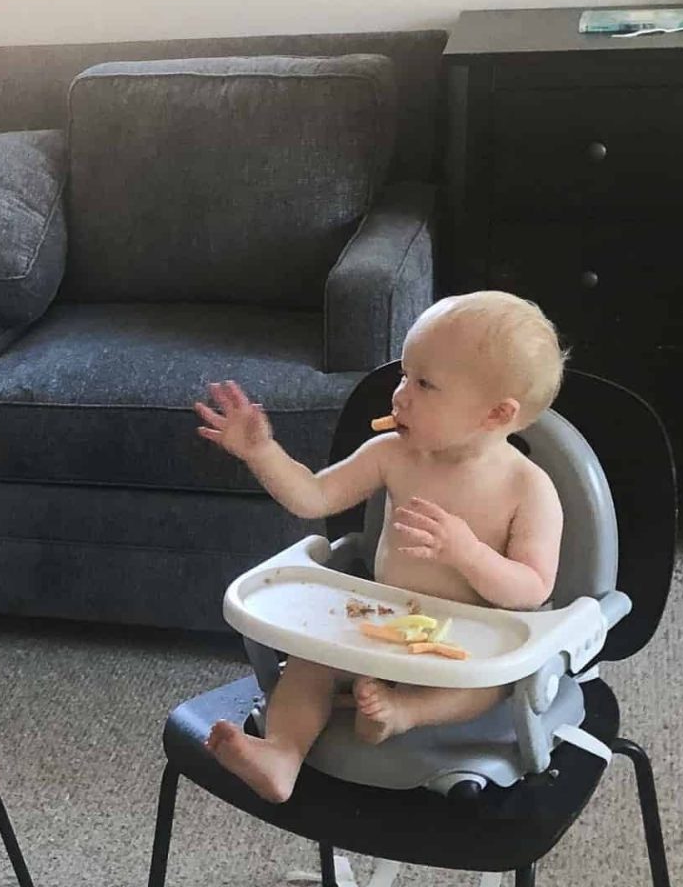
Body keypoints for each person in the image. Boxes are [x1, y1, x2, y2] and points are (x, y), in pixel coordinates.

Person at [196, 292, 567, 805]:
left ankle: (403, 712)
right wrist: (261, 451)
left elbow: (532, 589)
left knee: (491, 685)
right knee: (307, 661)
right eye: (403, 375)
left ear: (495, 414)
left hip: (467, 644)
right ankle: (281, 754)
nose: (400, 396)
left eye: (424, 384)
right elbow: (314, 497)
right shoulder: (393, 453)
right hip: (382, 623)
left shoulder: (528, 488)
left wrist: (467, 552)